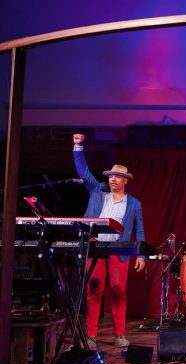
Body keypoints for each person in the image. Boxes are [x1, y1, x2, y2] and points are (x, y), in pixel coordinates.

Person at [73, 133, 145, 350]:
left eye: (117, 176)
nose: (112, 179)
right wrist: (78, 147)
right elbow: (83, 172)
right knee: (94, 290)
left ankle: (119, 334)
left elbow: (139, 229)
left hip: (118, 249)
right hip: (95, 248)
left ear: (125, 180)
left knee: (118, 290)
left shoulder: (134, 204)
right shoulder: (97, 191)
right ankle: (91, 335)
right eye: (110, 176)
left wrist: (140, 254)